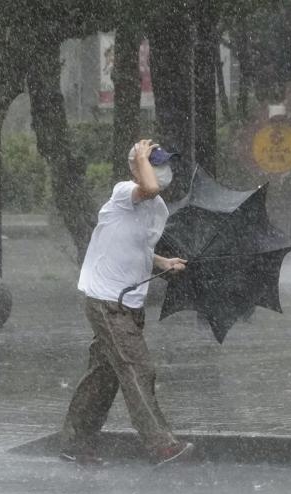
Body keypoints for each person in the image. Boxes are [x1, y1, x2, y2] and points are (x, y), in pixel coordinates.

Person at [59, 139, 193, 466]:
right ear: (135, 168)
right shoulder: (124, 193)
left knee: (103, 376)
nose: (162, 171)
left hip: (130, 303)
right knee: (138, 368)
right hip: (107, 301)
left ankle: (74, 443)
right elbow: (146, 185)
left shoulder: (157, 209)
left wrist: (162, 262)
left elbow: (137, 245)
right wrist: (141, 158)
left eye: (164, 163)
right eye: (154, 163)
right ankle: (161, 445)